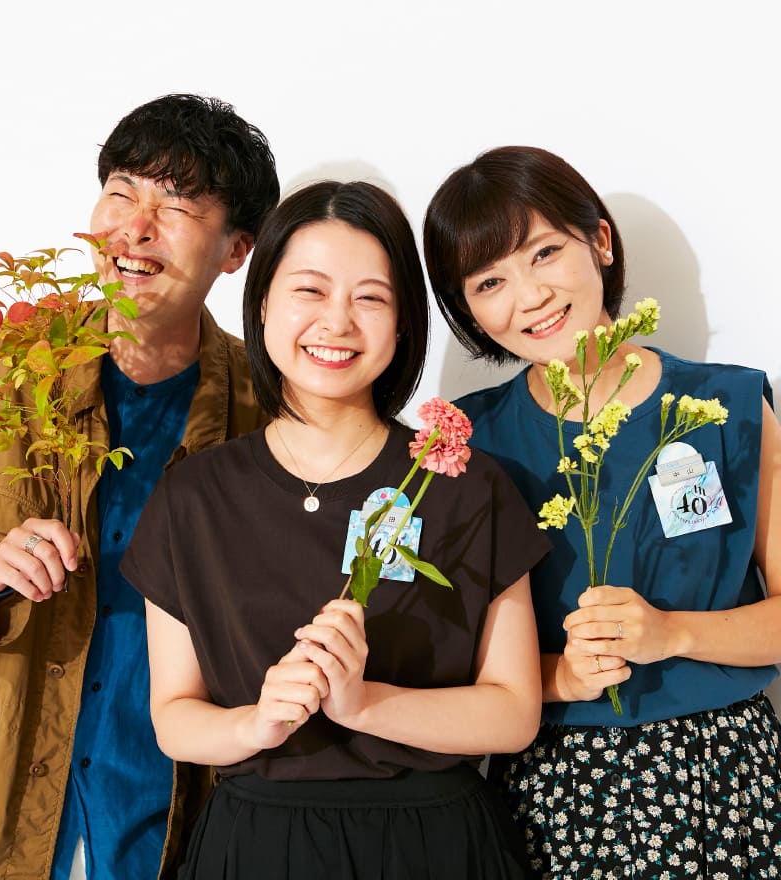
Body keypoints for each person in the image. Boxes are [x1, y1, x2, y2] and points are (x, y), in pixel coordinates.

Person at [120, 180, 549, 879]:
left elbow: (513, 713)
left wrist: (365, 703)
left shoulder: (463, 485)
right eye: (310, 291)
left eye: (370, 298)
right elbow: (173, 717)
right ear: (263, 304)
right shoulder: (192, 496)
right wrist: (255, 723)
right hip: (256, 847)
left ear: (403, 323)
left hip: (434, 846)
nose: (337, 322)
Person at [0, 93, 280, 880]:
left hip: (172, 816)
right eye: (121, 192)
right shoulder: (7, 366)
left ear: (236, 249)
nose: (135, 228)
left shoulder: (264, 406)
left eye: (175, 205)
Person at [422, 145, 781, 879]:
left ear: (601, 242)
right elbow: (438, 658)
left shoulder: (731, 405)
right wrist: (557, 675)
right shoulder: (468, 443)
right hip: (555, 792)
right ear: (468, 310)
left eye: (544, 252)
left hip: (726, 777)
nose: (530, 295)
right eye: (490, 280)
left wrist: (672, 632)